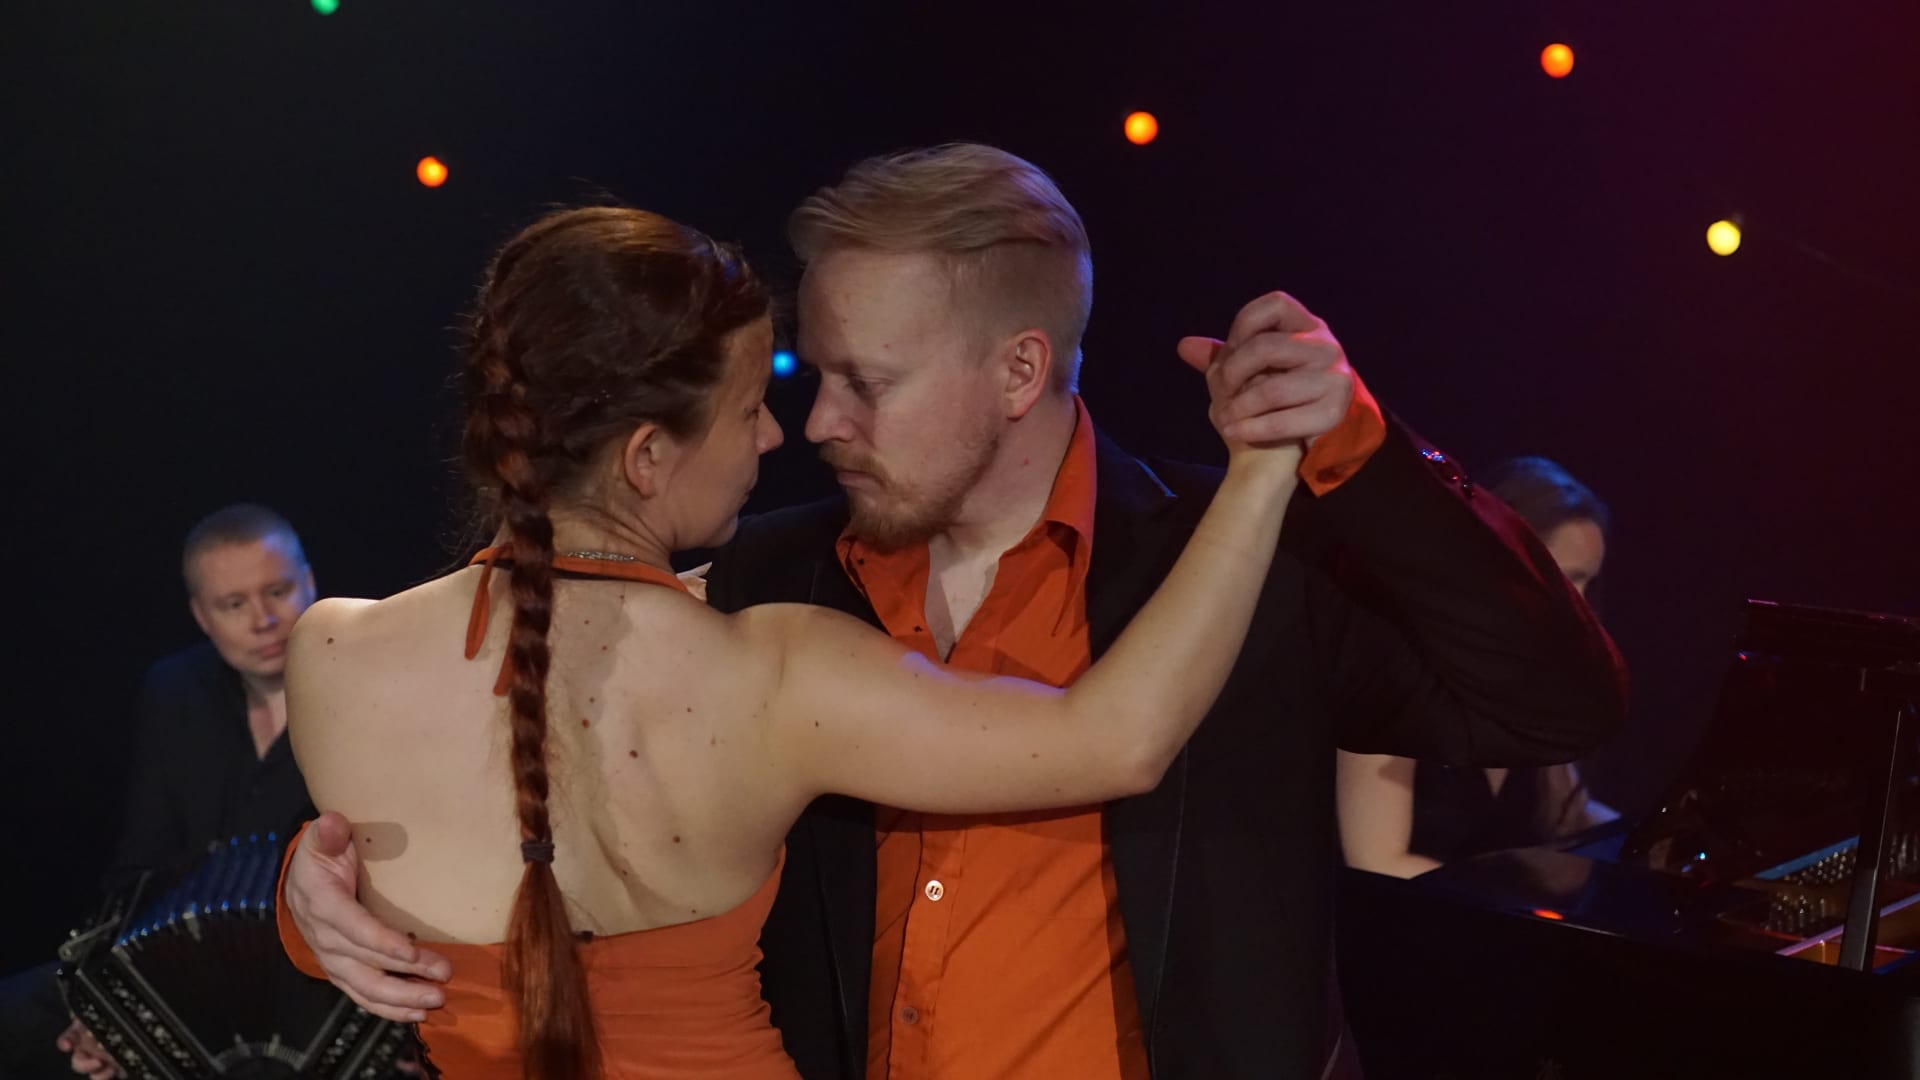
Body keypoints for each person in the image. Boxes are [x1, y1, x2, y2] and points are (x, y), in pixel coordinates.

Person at [283, 144, 1628, 1079]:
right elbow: (543, 812)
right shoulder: (760, 589)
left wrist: (1355, 450)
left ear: (1019, 370)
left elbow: (1556, 703)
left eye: (866, 383)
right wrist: (319, 882)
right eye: (809, 376)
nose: (818, 424)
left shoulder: (1229, 573)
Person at [0, 505, 321, 1080]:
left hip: (313, 981)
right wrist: (108, 1005)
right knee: (14, 1021)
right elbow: (139, 871)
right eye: (233, 604)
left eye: (277, 591)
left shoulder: (363, 692)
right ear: (202, 616)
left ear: (310, 583)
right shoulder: (176, 691)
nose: (264, 620)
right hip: (181, 971)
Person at [1337, 456, 1619, 878]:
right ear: (1501, 564)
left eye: (1588, 584)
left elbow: (1573, 818)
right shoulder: (1398, 668)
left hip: (1480, 918)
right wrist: (1518, 903)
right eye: (1568, 578)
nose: (1583, 608)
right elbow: (1377, 862)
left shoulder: (1536, 690)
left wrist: (1651, 851)